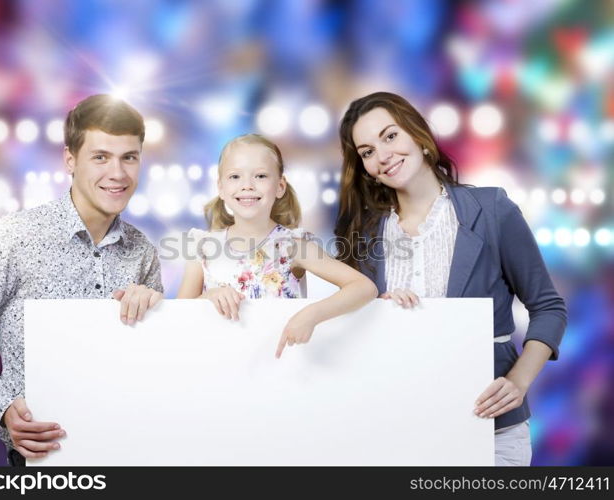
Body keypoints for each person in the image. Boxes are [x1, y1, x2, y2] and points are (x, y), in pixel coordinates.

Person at [333, 91, 567, 465]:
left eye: (390, 136)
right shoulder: (364, 235)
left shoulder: (492, 211)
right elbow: (346, 327)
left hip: (491, 429)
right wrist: (375, 311)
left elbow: (548, 307)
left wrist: (519, 380)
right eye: (367, 151)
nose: (383, 156)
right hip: (397, 428)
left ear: (418, 134)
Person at [0, 94, 163, 466]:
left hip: (128, 454)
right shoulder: (16, 237)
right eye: (100, 157)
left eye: (129, 157)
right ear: (70, 159)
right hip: (45, 461)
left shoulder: (142, 251)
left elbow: (157, 363)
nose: (117, 173)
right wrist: (5, 408)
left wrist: (155, 307)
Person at [177, 133, 378, 358]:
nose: (247, 186)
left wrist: (311, 314)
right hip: (218, 362)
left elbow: (363, 287)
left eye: (260, 176)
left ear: (280, 186)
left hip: (278, 367)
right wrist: (207, 298)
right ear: (221, 188)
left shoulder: (292, 246)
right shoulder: (203, 247)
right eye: (235, 177)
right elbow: (177, 318)